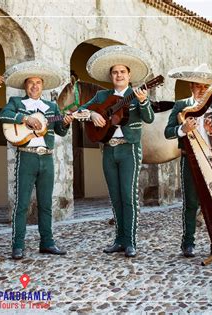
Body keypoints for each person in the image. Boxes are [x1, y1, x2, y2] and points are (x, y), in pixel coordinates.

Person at [79, 45, 155, 257]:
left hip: (129, 149)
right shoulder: (102, 95)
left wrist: (144, 101)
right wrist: (91, 115)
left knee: (128, 196)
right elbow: (78, 111)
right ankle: (119, 240)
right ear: (111, 76)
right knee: (115, 197)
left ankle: (130, 241)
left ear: (129, 75)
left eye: (122, 72)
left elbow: (148, 118)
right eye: (115, 72)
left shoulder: (136, 94)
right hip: (108, 151)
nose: (119, 75)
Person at [0, 60, 73, 260]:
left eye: (38, 83)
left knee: (46, 203)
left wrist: (66, 122)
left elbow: (60, 130)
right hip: (26, 155)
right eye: (30, 83)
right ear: (25, 86)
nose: (34, 86)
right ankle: (18, 245)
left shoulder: (51, 106)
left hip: (46, 158)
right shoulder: (17, 104)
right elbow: (3, 115)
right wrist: (25, 119)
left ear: (43, 85)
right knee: (22, 203)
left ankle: (47, 243)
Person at [164, 64, 212, 257]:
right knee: (191, 203)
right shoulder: (180, 106)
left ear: (209, 88)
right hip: (190, 159)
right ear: (191, 87)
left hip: (211, 160)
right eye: (197, 86)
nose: (201, 90)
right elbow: (168, 132)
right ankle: (188, 243)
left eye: (205, 87)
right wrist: (181, 129)